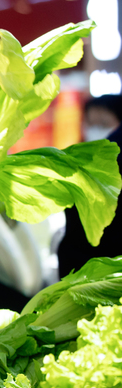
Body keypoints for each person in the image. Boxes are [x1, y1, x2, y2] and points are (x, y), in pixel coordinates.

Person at [58, 94, 122, 276]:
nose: (95, 130)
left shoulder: (112, 161)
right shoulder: (82, 162)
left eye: (103, 123)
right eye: (91, 123)